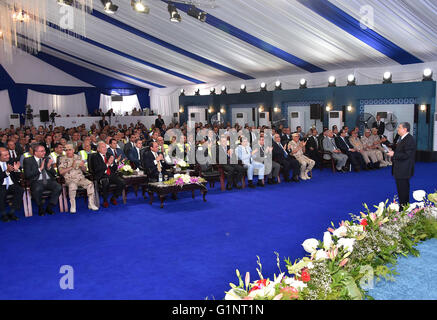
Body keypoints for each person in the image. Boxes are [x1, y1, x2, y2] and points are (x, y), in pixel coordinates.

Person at [23, 144, 62, 216]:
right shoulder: (28, 160)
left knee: (58, 187)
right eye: (41, 151)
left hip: (49, 180)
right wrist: (40, 169)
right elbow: (27, 175)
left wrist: (49, 167)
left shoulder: (47, 159)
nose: (44, 153)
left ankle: (50, 207)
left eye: (44, 151)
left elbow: (54, 174)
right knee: (38, 188)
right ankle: (40, 207)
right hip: (36, 181)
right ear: (35, 152)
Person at [58, 144, 98, 213]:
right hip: (70, 179)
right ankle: (73, 206)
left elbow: (85, 170)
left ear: (73, 150)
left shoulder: (78, 157)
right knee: (72, 186)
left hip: (80, 178)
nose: (68, 151)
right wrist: (72, 166)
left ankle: (91, 204)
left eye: (69, 150)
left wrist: (82, 166)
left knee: (90, 184)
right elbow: (61, 172)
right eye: (66, 150)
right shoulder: (62, 159)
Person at [89, 141, 126, 208]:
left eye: (105, 147)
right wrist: (108, 163)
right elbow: (97, 169)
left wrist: (113, 163)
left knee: (122, 182)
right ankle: (105, 200)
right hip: (101, 175)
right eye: (103, 147)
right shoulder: (94, 157)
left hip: (110, 174)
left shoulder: (109, 155)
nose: (105, 149)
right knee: (105, 182)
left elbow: (114, 168)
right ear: (98, 149)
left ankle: (114, 197)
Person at [387, 122, 416, 207]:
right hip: (401, 168)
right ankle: (404, 207)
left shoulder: (409, 139)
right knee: (402, 190)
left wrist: (394, 154)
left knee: (403, 190)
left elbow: (407, 155)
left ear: (405, 129)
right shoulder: (403, 138)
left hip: (404, 169)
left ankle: (403, 208)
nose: (397, 129)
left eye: (399, 127)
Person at [0, 147, 22, 222]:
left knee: (20, 190)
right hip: (1, 185)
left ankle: (12, 212)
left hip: (12, 184)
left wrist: (16, 170)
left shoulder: (11, 161)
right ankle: (3, 214)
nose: (8, 156)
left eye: (8, 154)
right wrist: (7, 171)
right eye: (5, 155)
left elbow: (18, 177)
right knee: (1, 193)